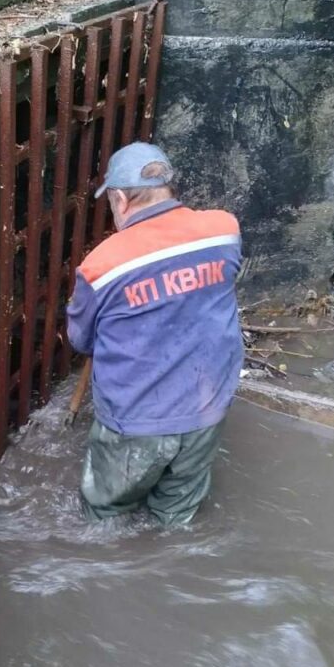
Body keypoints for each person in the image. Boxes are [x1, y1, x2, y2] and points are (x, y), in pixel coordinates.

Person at [66, 141, 243, 525]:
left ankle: (107, 576)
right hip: (207, 409)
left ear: (119, 199)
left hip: (135, 421)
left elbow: (81, 340)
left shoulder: (101, 266)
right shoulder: (225, 230)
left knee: (103, 514)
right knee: (177, 517)